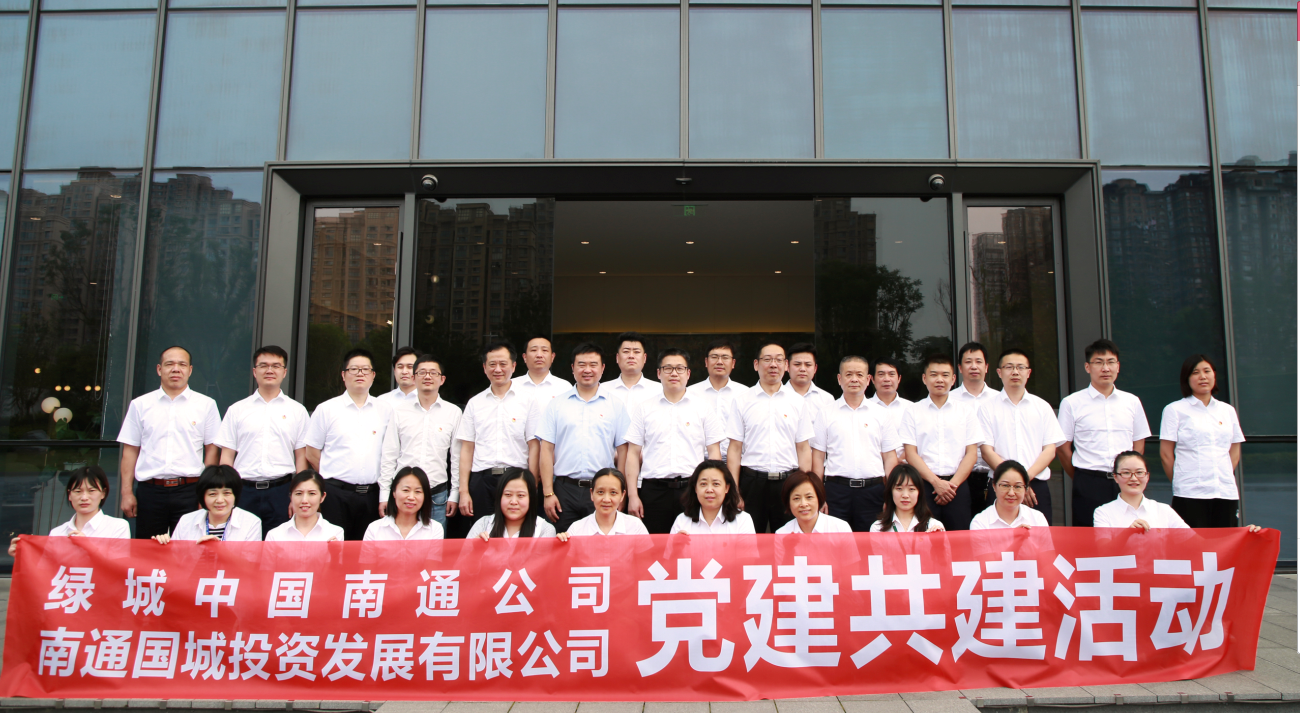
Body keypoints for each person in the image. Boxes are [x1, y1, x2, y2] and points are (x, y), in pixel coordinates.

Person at [118, 346, 221, 539]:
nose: (176, 369)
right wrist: (126, 493)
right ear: (159, 369)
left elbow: (212, 452)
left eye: (182, 364)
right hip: (150, 491)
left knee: (190, 548)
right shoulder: (140, 405)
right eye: (169, 364)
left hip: (190, 491)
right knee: (148, 550)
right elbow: (130, 451)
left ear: (190, 370)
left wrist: (206, 492)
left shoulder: (206, 405)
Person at [624, 348, 724, 533]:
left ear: (688, 373)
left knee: (692, 544)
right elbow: (632, 454)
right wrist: (633, 496)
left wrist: (713, 488)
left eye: (679, 368)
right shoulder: (645, 408)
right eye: (668, 368)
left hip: (692, 489)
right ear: (658, 373)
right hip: (653, 491)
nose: (674, 373)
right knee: (655, 546)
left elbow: (714, 453)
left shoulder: (703, 408)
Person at [215, 345, 308, 537]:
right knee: (240, 546)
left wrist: (298, 494)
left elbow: (301, 458)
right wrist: (226, 493)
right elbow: (226, 457)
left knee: (278, 547)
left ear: (284, 372)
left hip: (282, 491)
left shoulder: (297, 411)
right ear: (254, 371)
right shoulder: (237, 410)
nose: (269, 370)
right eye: (263, 365)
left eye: (276, 366)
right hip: (243, 491)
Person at [536, 343, 630, 533]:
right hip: (564, 490)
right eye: (581, 364)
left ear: (602, 368)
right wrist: (548, 493)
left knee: (601, 542)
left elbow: (624, 452)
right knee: (562, 542)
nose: (587, 370)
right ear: (572, 368)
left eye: (593, 364)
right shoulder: (556, 405)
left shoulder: (615, 405)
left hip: (602, 490)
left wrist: (621, 493)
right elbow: (545, 449)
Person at [1057, 339, 1151, 527]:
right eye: (1099, 362)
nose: (1105, 368)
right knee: (1089, 537)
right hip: (1089, 482)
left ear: (1118, 366)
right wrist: (1081, 477)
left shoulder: (1132, 402)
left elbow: (1138, 444)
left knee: (1129, 531)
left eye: (1110, 362)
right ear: (1087, 367)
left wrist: (1129, 473)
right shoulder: (1072, 403)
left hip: (1125, 480)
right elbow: (1062, 448)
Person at [303, 348, 392, 541]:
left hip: (373, 495)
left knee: (367, 550)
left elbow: (390, 453)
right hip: (336, 495)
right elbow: (311, 453)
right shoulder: (326, 409)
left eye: (365, 369)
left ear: (373, 375)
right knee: (334, 548)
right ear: (343, 375)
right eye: (354, 369)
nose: (360, 373)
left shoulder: (385, 410)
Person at [726, 341, 814, 533]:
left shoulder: (797, 402)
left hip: (788, 482)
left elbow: (803, 448)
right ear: (756, 364)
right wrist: (734, 488)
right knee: (750, 539)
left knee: (789, 540)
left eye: (779, 360)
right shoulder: (742, 401)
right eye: (767, 359)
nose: (773, 364)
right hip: (752, 482)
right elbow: (735, 448)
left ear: (786, 365)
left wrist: (805, 485)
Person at [455, 341, 537, 538]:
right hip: (482, 480)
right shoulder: (474, 404)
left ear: (514, 366)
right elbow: (466, 449)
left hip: (516, 479)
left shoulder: (527, 401)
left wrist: (532, 484)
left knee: (517, 534)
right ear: (484, 368)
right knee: (483, 534)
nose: (497, 369)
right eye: (492, 364)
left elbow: (534, 446)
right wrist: (464, 491)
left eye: (503, 364)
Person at [811, 355, 900, 531]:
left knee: (871, 543)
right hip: (836, 491)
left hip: (873, 492)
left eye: (859, 375)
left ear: (868, 379)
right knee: (836, 542)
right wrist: (818, 495)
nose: (854, 379)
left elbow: (890, 458)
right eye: (849, 374)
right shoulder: (826, 413)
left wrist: (890, 495)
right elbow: (818, 458)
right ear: (839, 379)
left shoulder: (881, 414)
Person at [1159, 355, 1246, 528]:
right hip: (1189, 492)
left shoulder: (1227, 410)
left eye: (1207, 371)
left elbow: (1234, 451)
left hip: (1225, 491)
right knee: (1191, 542)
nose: (1203, 376)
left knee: (1224, 541)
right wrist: (1181, 481)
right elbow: (1166, 454)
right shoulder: (1174, 410)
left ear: (1214, 375)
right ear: (1187, 378)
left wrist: (1220, 474)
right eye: (1195, 372)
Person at [978, 348, 1065, 520]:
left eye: (1020, 367)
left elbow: (1049, 450)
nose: (1015, 372)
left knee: (1039, 535)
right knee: (998, 534)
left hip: (1037, 485)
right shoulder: (987, 408)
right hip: (1000, 486)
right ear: (999, 372)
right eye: (1009, 367)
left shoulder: (1042, 407)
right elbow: (987, 451)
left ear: (1028, 372)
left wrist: (1023, 481)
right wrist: (1013, 482)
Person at [899, 354, 983, 531]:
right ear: (924, 378)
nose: (939, 380)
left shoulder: (966, 411)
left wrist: (952, 486)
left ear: (953, 379)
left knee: (959, 539)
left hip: (958, 486)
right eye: (934, 374)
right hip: (924, 486)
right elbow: (911, 454)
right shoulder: (912, 411)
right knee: (923, 538)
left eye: (945, 375)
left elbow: (971, 453)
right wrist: (936, 483)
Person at [380, 354, 461, 529]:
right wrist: (384, 494)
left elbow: (457, 458)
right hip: (402, 494)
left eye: (433, 373)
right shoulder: (399, 412)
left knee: (434, 544)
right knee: (399, 541)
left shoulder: (453, 412)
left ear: (442, 379)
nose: (427, 376)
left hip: (437, 495)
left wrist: (455, 494)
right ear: (414, 378)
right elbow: (389, 455)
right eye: (422, 372)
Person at [9, 466, 129, 555]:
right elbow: (47, 571)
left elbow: (119, 568)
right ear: (69, 495)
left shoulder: (118, 527)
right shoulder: (57, 533)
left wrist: (88, 546)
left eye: (91, 491)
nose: (84, 497)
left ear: (103, 493)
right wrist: (22, 555)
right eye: (78, 491)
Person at [152, 465, 261, 543]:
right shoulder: (186, 521)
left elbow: (251, 563)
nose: (220, 500)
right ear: (202, 496)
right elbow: (176, 560)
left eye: (226, 493)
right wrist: (163, 544)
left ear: (235, 495)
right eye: (212, 494)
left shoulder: (251, 522)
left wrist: (217, 550)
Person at [952, 342, 1001, 519]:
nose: (974, 366)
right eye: (968, 362)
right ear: (960, 368)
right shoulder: (949, 400)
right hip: (960, 478)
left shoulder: (1000, 399)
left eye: (979, 361)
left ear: (986, 367)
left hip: (994, 474)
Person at [686, 339, 749, 463]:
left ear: (733, 363)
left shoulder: (745, 394)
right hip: (700, 462)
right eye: (714, 357)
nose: (719, 362)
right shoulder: (690, 393)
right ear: (706, 362)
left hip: (738, 461)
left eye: (725, 357)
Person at [1093, 451, 1189, 530]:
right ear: (1115, 477)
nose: (1133, 478)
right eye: (1126, 472)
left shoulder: (1164, 510)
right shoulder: (1103, 512)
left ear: (1147, 476)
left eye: (1139, 472)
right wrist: (1127, 534)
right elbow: (1103, 547)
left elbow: (1192, 541)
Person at [558, 468, 650, 538]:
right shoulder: (576, 529)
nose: (606, 500)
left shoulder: (635, 526)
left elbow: (646, 557)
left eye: (613, 492)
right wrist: (562, 542)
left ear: (622, 495)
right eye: (600, 492)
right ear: (592, 494)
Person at [670, 460, 756, 535]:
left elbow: (749, 550)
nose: (709, 490)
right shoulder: (682, 521)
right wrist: (676, 545)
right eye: (703, 484)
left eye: (716, 484)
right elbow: (669, 550)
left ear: (727, 488)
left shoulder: (742, 520)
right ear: (695, 488)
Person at [468, 468, 557, 539]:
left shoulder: (544, 529)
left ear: (531, 498)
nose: (513, 502)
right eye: (508, 494)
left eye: (520, 495)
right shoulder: (483, 524)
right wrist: (475, 547)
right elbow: (464, 556)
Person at [364, 466, 444, 540]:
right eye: (406, 490)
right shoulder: (374, 529)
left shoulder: (435, 529)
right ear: (394, 492)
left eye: (418, 491)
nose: (411, 497)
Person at [264, 469, 344, 541]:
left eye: (312, 493)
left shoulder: (335, 533)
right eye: (299, 493)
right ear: (291, 496)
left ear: (322, 497)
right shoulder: (274, 535)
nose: (304, 500)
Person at [971, 460, 1049, 530]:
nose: (1011, 493)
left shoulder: (1037, 518)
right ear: (994, 486)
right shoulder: (980, 522)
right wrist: (1013, 538)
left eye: (1017, 486)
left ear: (1026, 489)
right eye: (1005, 485)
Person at [870, 464, 945, 532]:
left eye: (911, 489)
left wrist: (936, 539)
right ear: (890, 491)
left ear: (919, 493)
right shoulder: (878, 528)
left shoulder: (933, 526)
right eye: (899, 489)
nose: (905, 495)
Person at [774, 471, 851, 534]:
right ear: (788, 502)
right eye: (796, 498)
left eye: (809, 497)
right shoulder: (782, 534)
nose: (803, 504)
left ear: (819, 497)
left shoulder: (841, 529)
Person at [598, 331, 659, 407]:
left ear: (644, 358)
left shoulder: (659, 390)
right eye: (626, 351)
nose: (631, 356)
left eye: (636, 352)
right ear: (617, 358)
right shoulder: (602, 389)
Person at [870, 357, 913, 464]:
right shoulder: (863, 408)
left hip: (906, 468)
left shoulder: (911, 408)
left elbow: (918, 441)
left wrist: (898, 461)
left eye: (891, 374)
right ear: (872, 379)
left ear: (899, 378)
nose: (886, 379)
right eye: (881, 374)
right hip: (874, 467)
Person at [512, 335, 572, 406]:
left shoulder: (564, 387)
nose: (539, 355)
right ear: (524, 357)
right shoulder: (512, 385)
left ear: (552, 357)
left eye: (544, 350)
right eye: (534, 350)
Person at [787, 343, 835, 412]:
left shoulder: (827, 400)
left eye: (808, 365)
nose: (802, 369)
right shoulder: (776, 396)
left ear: (815, 368)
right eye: (797, 364)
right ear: (787, 366)